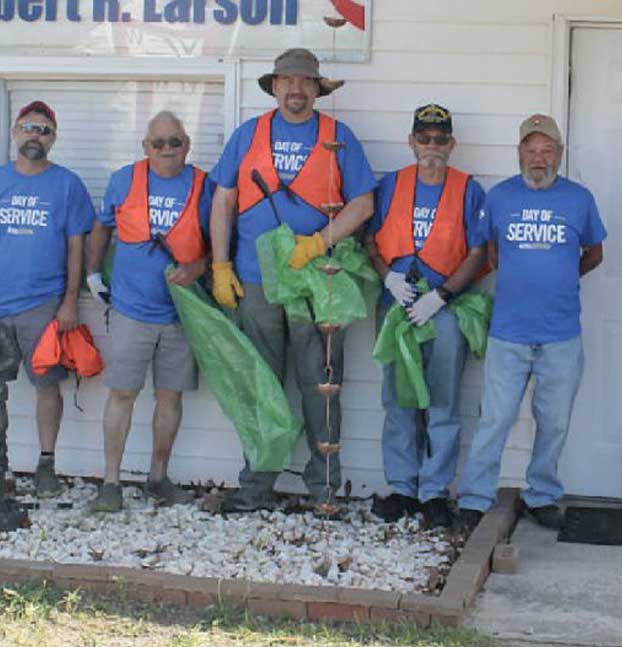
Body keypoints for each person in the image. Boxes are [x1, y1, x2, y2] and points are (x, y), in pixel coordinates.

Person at [208, 48, 377, 511]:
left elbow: (363, 204)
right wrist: (220, 266)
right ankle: (256, 488)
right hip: (255, 280)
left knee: (320, 384)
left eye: (305, 81)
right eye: (287, 81)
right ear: (275, 86)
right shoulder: (249, 134)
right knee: (260, 385)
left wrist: (319, 242)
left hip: (316, 281)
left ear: (318, 89)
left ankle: (324, 491)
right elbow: (223, 200)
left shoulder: (339, 138)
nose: (296, 89)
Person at [456, 114, 606, 530]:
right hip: (509, 332)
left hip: (561, 333)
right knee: (495, 418)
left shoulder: (579, 199)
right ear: (519, 151)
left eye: (547, 150)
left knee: (554, 421)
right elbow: (490, 252)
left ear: (559, 154)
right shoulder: (499, 197)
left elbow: (594, 253)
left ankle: (541, 495)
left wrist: (558, 277)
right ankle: (474, 497)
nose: (539, 158)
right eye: (531, 149)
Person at [364, 104, 486, 527]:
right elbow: (371, 244)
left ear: (451, 145)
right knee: (398, 398)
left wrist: (443, 294)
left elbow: (477, 253)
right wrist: (389, 280)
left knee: (443, 400)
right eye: (424, 138)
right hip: (397, 306)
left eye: (439, 139)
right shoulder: (390, 186)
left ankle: (434, 493)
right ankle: (403, 488)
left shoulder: (469, 190)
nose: (431, 147)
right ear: (411, 142)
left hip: (444, 307)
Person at [84, 111, 212, 511]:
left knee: (170, 397)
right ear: (145, 147)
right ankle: (110, 484)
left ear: (187, 144)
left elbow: (219, 240)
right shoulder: (124, 179)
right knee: (122, 394)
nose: (167, 150)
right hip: (130, 310)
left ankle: (158, 477)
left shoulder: (204, 186)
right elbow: (102, 226)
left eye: (175, 142)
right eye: (158, 143)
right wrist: (92, 273)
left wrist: (199, 268)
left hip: (181, 315)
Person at [0, 101, 95, 498]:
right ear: (15, 132)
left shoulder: (67, 185)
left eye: (43, 129)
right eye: (27, 127)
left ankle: (46, 464)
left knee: (46, 387)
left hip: (43, 305)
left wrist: (71, 300)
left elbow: (77, 247)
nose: (34, 135)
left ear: (53, 138)